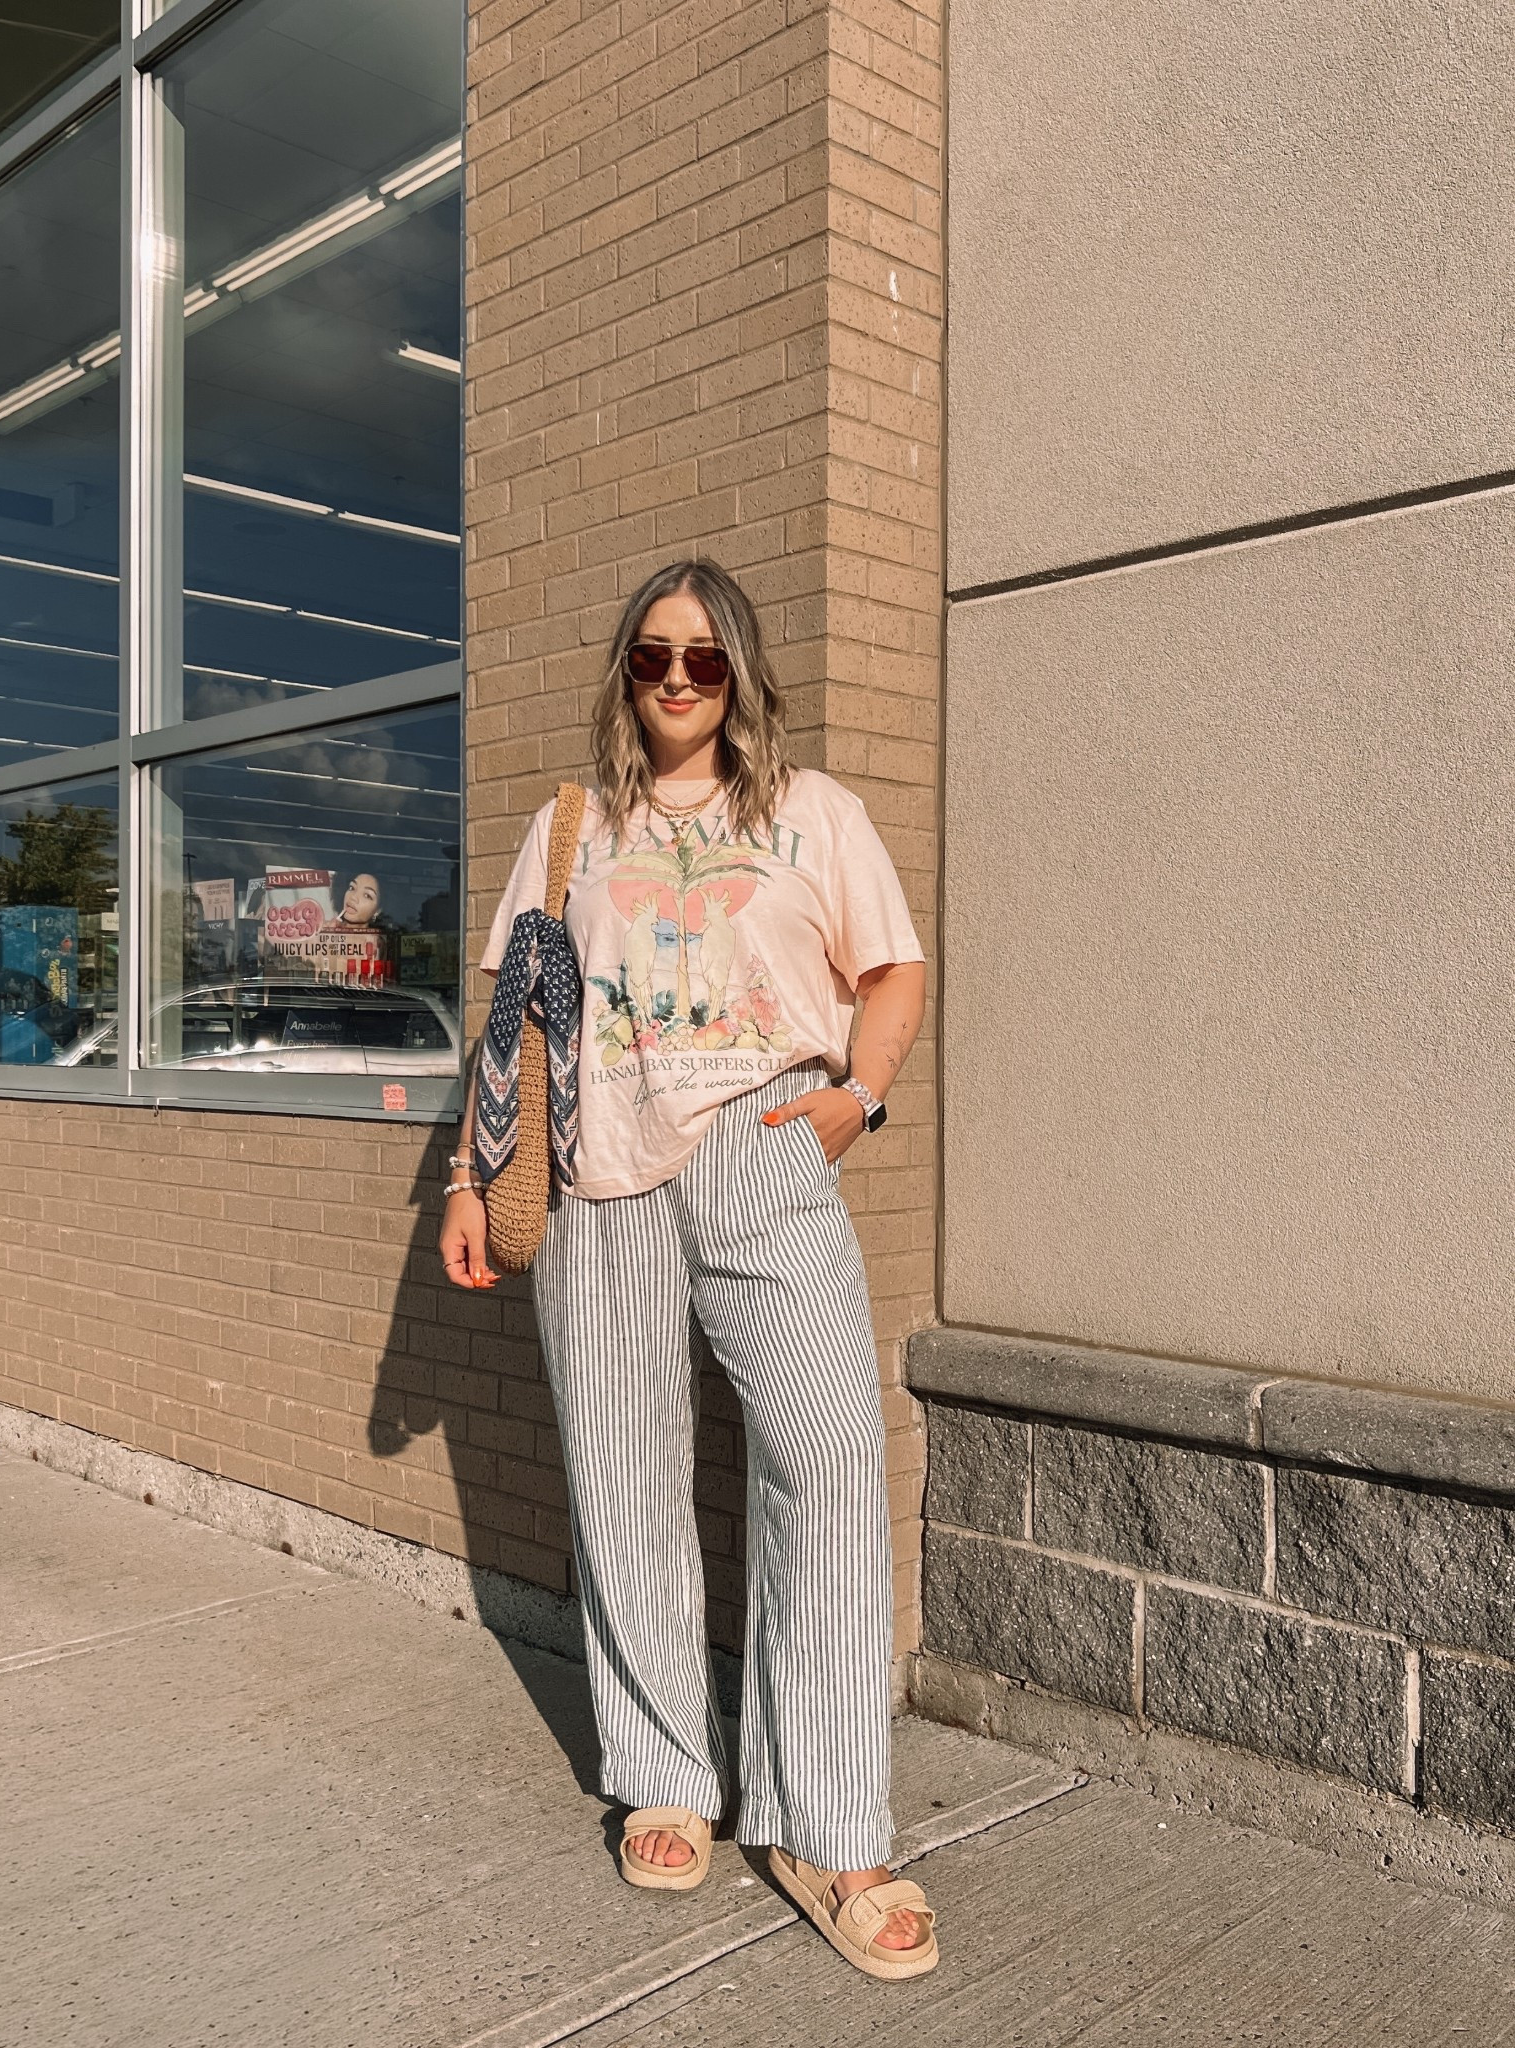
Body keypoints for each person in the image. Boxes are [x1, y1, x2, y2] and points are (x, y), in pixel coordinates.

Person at [439, 559, 936, 1979]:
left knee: (831, 1457)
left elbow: (891, 971)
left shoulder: (811, 814)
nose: (674, 680)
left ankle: (829, 1824)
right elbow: (516, 1017)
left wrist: (864, 1095)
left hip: (766, 1143)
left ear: (741, 676)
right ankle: (665, 1773)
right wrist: (471, 1182)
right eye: (652, 656)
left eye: (704, 662)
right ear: (623, 669)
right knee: (622, 1468)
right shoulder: (568, 827)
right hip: (594, 1173)